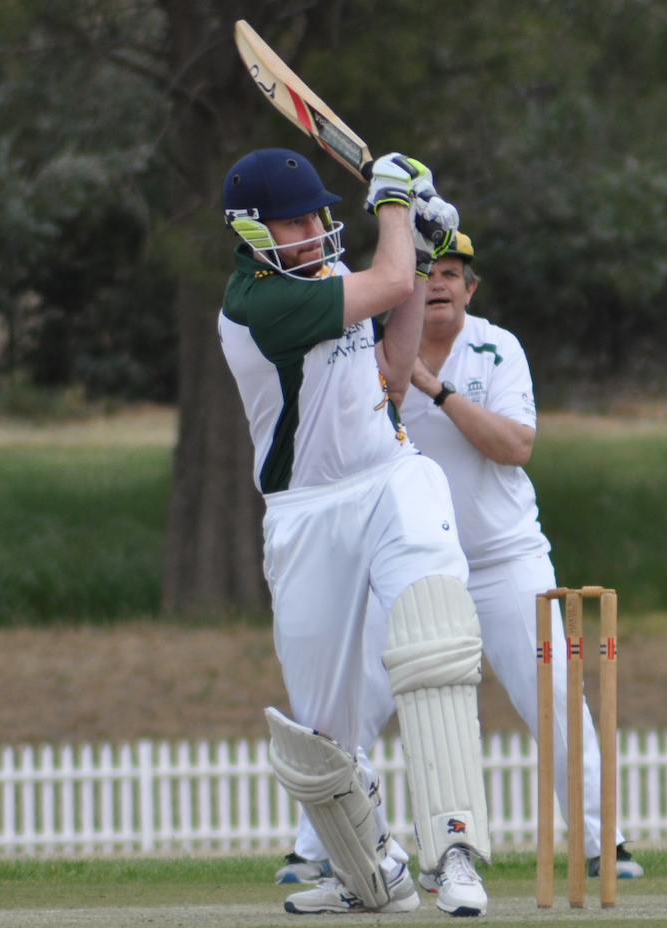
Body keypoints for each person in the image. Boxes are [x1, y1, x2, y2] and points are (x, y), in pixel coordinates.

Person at [281, 233, 642, 887]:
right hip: (408, 566)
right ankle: (318, 847)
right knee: (347, 704)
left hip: (505, 559)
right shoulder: (370, 349)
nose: (440, 284)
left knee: (558, 695)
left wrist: (435, 390)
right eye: (428, 272)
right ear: (404, 284)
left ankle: (601, 843)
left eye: (453, 273)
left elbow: (516, 445)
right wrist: (397, 381)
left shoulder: (497, 348)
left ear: (471, 288)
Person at [218, 147, 491, 917]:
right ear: (249, 230)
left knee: (435, 641)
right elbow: (394, 280)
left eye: (317, 214)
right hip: (305, 513)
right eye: (294, 219)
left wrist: (427, 242)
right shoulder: (256, 303)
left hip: (391, 475)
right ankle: (372, 879)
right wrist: (401, 208)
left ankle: (456, 851)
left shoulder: (331, 279)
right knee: (323, 737)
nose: (313, 229)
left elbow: (394, 372)